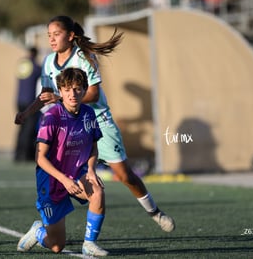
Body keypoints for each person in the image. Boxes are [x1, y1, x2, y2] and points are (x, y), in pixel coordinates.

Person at [15, 15, 175, 234]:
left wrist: (60, 98)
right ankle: (49, 231)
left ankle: (154, 212)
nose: (51, 39)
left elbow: (93, 93)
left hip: (97, 121)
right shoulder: (48, 62)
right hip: (68, 127)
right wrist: (27, 112)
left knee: (124, 174)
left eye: (57, 34)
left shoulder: (84, 57)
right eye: (49, 35)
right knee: (58, 176)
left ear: (71, 36)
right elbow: (45, 94)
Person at [17, 67, 108, 256]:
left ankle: (89, 244)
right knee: (57, 246)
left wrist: (91, 169)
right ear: (60, 91)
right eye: (67, 89)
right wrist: (64, 180)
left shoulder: (89, 114)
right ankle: (38, 231)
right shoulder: (51, 117)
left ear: (84, 90)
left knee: (97, 191)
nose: (72, 94)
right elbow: (40, 158)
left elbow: (93, 146)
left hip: (77, 174)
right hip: (52, 181)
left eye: (77, 89)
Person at [14, 47, 41, 162]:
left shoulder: (22, 64)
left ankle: (18, 154)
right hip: (30, 101)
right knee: (29, 129)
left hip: (19, 100)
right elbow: (42, 72)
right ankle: (26, 154)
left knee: (21, 128)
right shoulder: (34, 66)